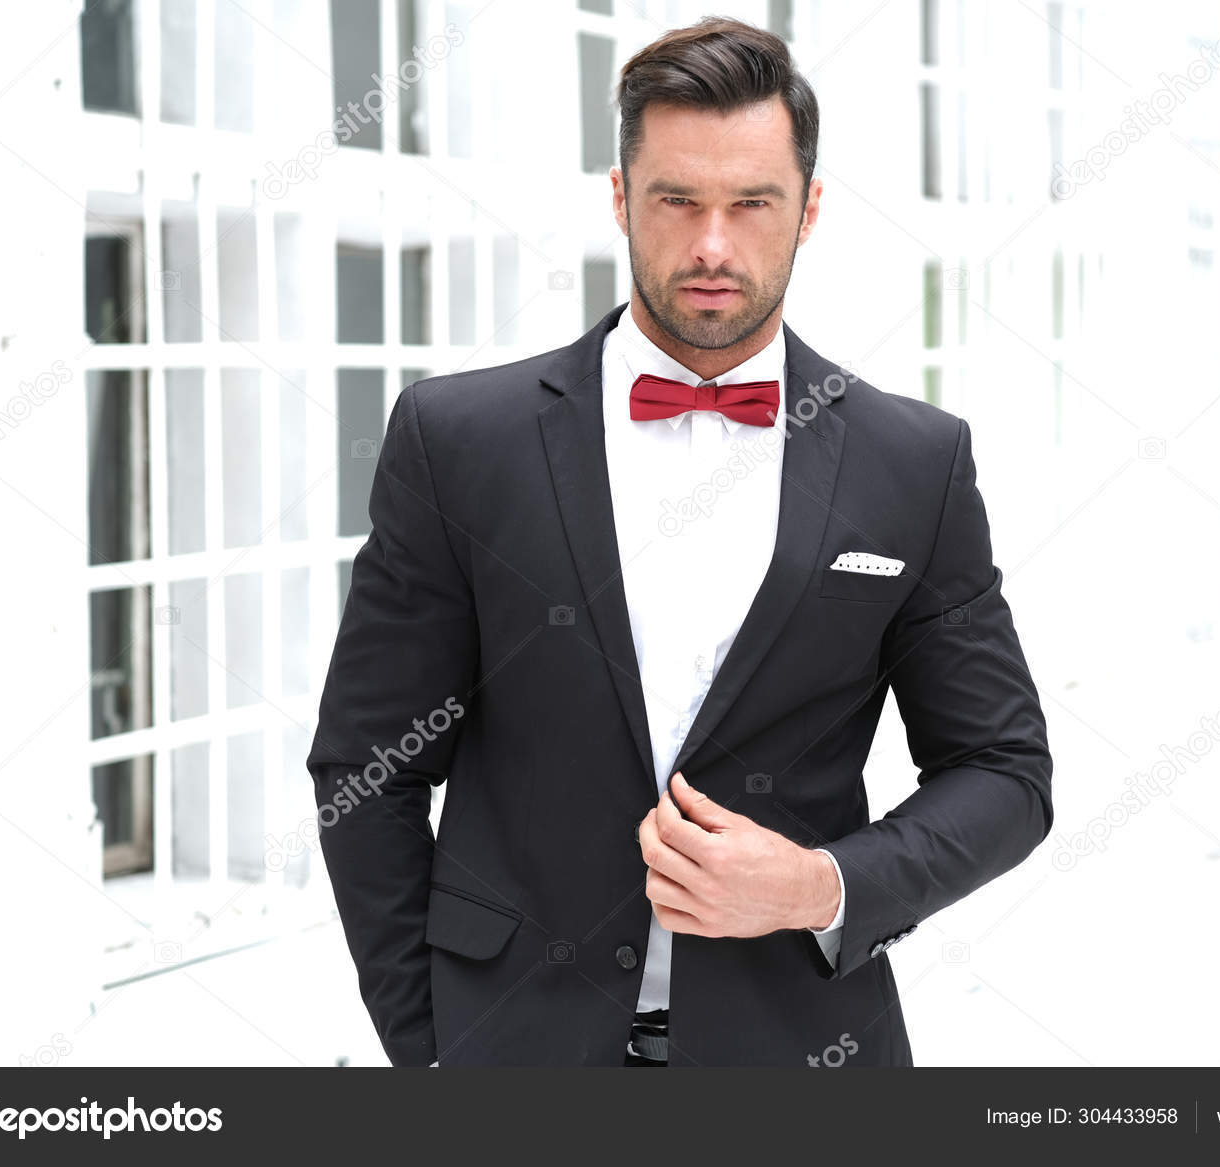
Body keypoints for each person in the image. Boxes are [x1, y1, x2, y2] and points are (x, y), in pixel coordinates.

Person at [307, 16, 1053, 1068]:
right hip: (513, 1052)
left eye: (752, 205)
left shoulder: (912, 461)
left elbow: (1004, 773)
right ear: (619, 199)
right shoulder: (458, 441)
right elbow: (366, 766)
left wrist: (821, 885)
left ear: (809, 212)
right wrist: (428, 1048)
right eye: (676, 201)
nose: (712, 245)